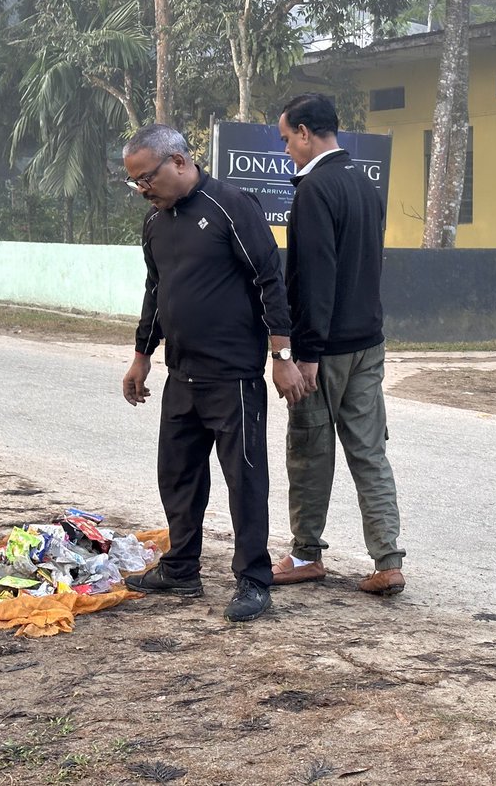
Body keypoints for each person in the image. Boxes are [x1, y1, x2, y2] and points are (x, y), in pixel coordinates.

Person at [120, 124, 305, 622]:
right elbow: (155, 292)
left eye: (147, 178)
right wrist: (142, 355)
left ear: (179, 162)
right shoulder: (155, 224)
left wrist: (281, 357)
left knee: (245, 479)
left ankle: (253, 580)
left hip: (234, 377)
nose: (143, 189)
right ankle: (181, 568)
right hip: (182, 375)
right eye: (135, 182)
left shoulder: (230, 205)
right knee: (177, 476)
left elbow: (270, 278)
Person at [271, 93, 406, 595]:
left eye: (287, 139)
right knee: (370, 451)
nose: (286, 150)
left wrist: (300, 354)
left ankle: (306, 553)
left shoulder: (313, 190)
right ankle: (388, 559)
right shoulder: (364, 186)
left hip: (323, 350)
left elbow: (313, 280)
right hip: (369, 343)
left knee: (309, 449)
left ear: (306, 132)